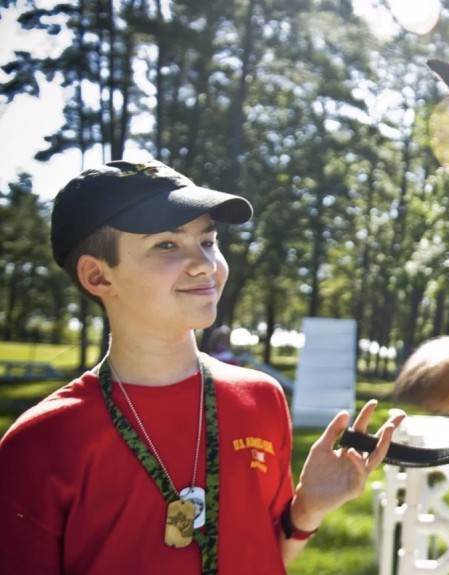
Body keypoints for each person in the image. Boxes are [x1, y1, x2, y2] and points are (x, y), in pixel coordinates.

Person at [0, 160, 405, 574]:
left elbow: (263, 554)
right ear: (98, 277)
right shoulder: (41, 442)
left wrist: (309, 509)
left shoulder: (261, 399)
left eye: (208, 242)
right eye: (167, 245)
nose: (206, 264)